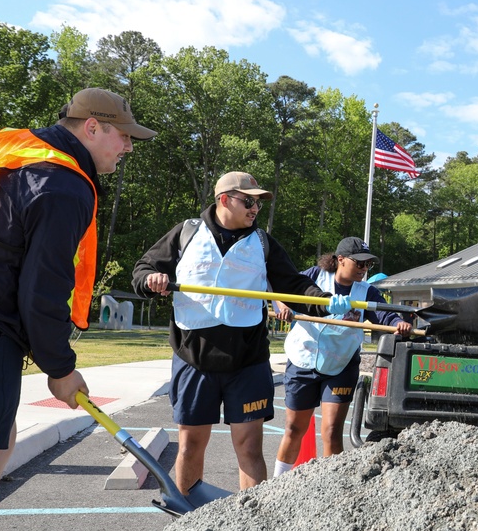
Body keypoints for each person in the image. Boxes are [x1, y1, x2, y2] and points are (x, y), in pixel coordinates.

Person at [0, 88, 156, 531]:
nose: (128, 148)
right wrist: (61, 369)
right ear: (92, 127)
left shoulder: (9, 152)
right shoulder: (64, 184)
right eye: (123, 135)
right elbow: (40, 292)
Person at [131, 171, 350, 496]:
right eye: (248, 201)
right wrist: (152, 280)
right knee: (190, 445)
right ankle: (185, 523)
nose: (255, 208)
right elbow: (143, 269)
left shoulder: (262, 243)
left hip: (247, 362)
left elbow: (293, 285)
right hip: (194, 359)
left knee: (249, 447)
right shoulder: (186, 233)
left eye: (259, 203)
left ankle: (252, 525)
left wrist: (325, 302)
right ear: (224, 200)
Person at [274, 237, 412, 475]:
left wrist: (399, 322)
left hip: (341, 364)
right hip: (303, 359)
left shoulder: (366, 290)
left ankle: (331, 485)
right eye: (359, 263)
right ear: (339, 260)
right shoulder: (315, 275)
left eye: (368, 264)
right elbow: (282, 289)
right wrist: (281, 307)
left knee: (331, 431)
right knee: (294, 428)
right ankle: (276, 483)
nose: (364, 269)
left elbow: (386, 316)